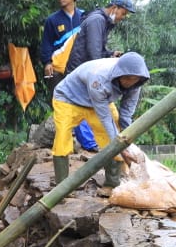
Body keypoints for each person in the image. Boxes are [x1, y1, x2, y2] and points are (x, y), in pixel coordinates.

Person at [51, 52, 148, 187]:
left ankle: (112, 184)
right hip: (68, 98)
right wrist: (121, 149)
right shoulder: (100, 79)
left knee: (112, 137)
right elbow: (105, 118)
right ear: (119, 73)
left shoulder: (136, 83)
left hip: (99, 101)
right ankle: (61, 188)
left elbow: (126, 115)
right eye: (126, 78)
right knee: (62, 137)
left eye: (134, 79)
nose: (129, 82)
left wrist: (127, 143)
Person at [39, 0, 97, 152]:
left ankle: (87, 141)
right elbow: (46, 44)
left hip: (80, 68)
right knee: (61, 102)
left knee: (82, 101)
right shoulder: (52, 20)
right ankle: (65, 141)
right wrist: (47, 62)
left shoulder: (85, 17)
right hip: (58, 68)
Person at [62, 0, 135, 76]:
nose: (123, 17)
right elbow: (94, 54)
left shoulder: (104, 22)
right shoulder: (97, 20)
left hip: (84, 70)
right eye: (123, 13)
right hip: (77, 73)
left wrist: (110, 54)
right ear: (114, 8)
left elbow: (97, 50)